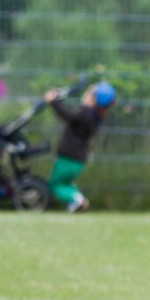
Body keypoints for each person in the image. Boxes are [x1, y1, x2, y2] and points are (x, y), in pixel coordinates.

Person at [44, 81, 115, 213]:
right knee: (66, 184)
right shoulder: (94, 116)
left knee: (55, 185)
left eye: (89, 93)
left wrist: (53, 101)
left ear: (94, 99)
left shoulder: (85, 114)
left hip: (69, 157)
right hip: (77, 159)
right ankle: (76, 202)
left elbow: (67, 115)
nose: (86, 94)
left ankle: (77, 199)